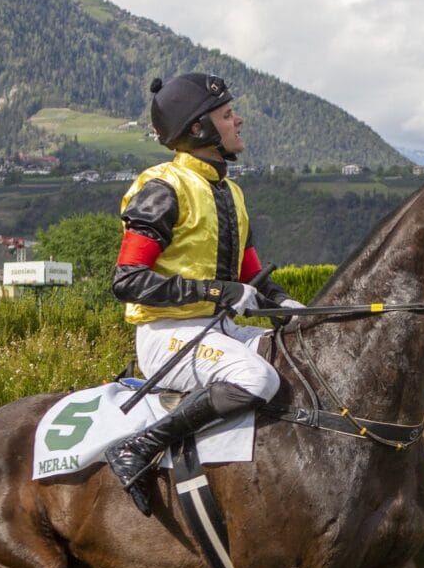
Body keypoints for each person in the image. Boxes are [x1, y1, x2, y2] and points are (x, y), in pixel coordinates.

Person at [104, 73, 302, 513]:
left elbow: (252, 276)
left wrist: (288, 305)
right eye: (228, 115)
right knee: (257, 378)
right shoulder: (162, 187)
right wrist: (218, 291)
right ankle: (138, 446)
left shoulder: (231, 191)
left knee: (300, 352)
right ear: (199, 128)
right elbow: (128, 280)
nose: (239, 121)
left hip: (217, 331)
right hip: (166, 335)